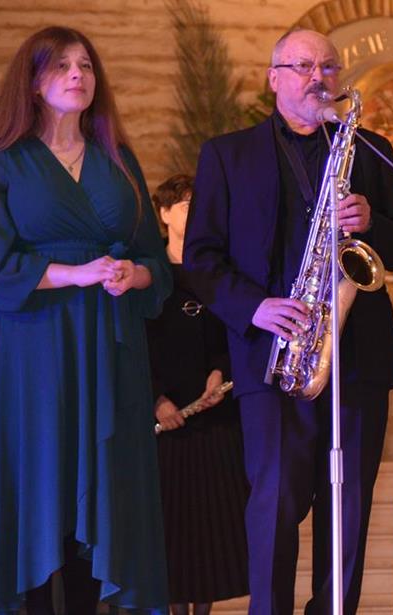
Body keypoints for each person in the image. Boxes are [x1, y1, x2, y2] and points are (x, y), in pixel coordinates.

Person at [182, 28, 393, 615]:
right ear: (273, 77)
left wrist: (373, 223)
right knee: (274, 504)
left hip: (356, 362)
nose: (318, 78)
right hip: (271, 357)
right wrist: (255, 307)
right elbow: (200, 259)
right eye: (303, 66)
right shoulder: (226, 155)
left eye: (328, 67)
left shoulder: (372, 150)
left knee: (348, 510)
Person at [0, 26, 172, 614]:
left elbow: (155, 262)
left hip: (111, 345)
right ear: (32, 83)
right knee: (42, 480)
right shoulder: (1, 165)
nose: (77, 74)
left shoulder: (118, 159)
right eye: (61, 66)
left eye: (86, 65)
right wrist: (77, 274)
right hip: (38, 347)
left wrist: (134, 274)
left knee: (106, 486)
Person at [145, 174, 250, 615]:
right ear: (164, 213)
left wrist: (220, 372)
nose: (195, 212)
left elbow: (235, 330)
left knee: (210, 526)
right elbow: (132, 346)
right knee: (171, 527)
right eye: (186, 204)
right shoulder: (147, 273)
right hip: (164, 425)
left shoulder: (217, 269)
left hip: (213, 418)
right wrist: (156, 400)